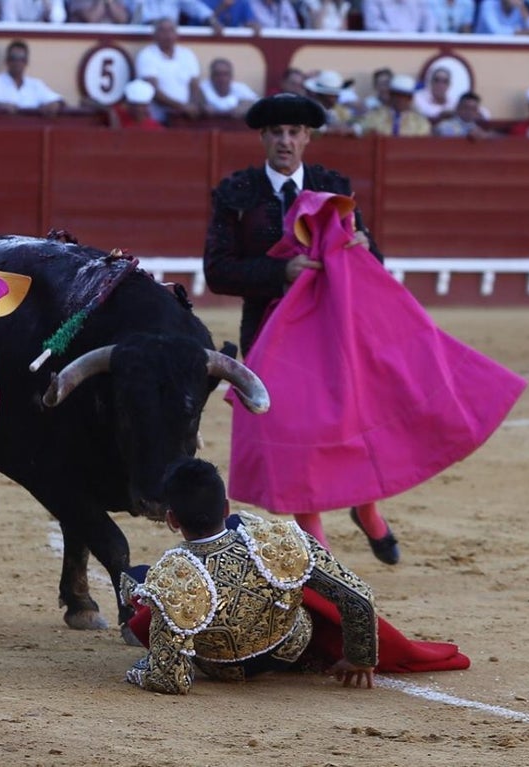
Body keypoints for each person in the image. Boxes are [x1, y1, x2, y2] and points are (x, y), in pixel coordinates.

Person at [201, 93, 398, 561]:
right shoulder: (237, 193)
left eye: (294, 133)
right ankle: (317, 540)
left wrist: (365, 248)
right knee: (294, 438)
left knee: (350, 423)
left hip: (332, 332)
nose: (285, 141)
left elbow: (374, 263)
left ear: (307, 137)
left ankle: (367, 511)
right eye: (276, 133)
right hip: (271, 336)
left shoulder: (334, 187)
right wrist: (278, 274)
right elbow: (218, 270)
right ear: (264, 138)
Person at [122, 459, 378, 694]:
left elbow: (170, 679)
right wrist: (360, 657)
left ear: (172, 520)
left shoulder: (170, 577)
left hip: (221, 667)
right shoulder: (275, 539)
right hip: (291, 646)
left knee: (135, 579)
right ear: (225, 508)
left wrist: (138, 672)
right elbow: (358, 596)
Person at [135, 18, 204, 124]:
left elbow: (194, 85)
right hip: (159, 119)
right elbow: (153, 91)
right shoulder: (147, 55)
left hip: (186, 118)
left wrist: (193, 106)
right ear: (155, 35)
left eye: (171, 30)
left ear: (176, 34)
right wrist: (182, 107)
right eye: (163, 31)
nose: (168, 35)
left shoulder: (187, 54)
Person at [0, 40, 64, 116]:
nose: (17, 62)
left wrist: (54, 105)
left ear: (26, 62)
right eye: (13, 58)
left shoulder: (36, 85)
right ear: (7, 61)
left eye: (21, 58)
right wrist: (0, 107)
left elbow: (60, 101)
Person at [358, 73, 432, 137]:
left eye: (405, 96)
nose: (400, 99)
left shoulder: (420, 122)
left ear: (410, 98)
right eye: (396, 95)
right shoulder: (375, 116)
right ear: (390, 95)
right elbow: (359, 129)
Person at [303, 70, 355, 136]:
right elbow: (303, 128)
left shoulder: (340, 110)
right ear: (321, 94)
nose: (336, 97)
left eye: (336, 94)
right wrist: (326, 129)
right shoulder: (308, 109)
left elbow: (349, 122)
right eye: (331, 94)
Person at [363, 0, 437, 32]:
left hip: (415, 45)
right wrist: (391, 32)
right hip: (385, 45)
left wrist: (425, 39)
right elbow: (372, 23)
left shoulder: (419, 1)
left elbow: (429, 22)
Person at [68, 0, 132, 22]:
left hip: (111, 42)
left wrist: (110, 2)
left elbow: (123, 19)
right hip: (85, 41)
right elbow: (92, 18)